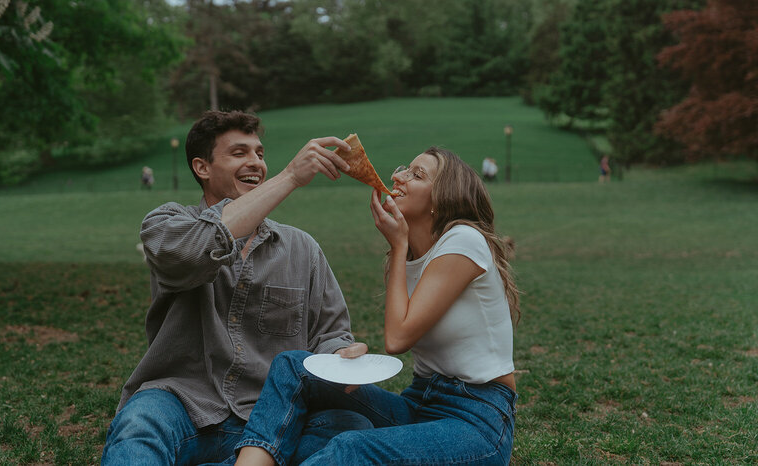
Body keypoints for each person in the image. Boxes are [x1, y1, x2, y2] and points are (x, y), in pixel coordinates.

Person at [101, 110, 372, 465]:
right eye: (239, 152)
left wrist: (342, 357)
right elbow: (190, 253)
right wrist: (289, 176)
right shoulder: (167, 224)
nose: (256, 163)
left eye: (259, 153)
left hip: (273, 413)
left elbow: (330, 334)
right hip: (181, 400)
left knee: (350, 427)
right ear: (202, 168)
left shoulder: (302, 248)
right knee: (138, 424)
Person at [234, 147, 521, 465]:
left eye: (417, 174)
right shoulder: (414, 253)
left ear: (442, 197)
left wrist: (398, 245)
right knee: (293, 367)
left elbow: (397, 339)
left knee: (352, 448)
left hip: (476, 423)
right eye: (404, 168)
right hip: (419, 404)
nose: (397, 176)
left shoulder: (464, 240)